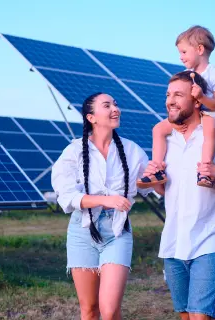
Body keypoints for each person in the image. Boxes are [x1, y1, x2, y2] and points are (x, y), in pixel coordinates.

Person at [142, 71, 215, 320]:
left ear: (197, 100)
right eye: (168, 95)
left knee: (200, 317)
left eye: (178, 95)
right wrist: (156, 181)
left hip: (210, 240)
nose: (169, 101)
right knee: (185, 316)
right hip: (174, 242)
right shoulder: (165, 140)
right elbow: (165, 190)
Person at [52, 92, 152, 320]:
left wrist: (159, 176)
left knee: (109, 310)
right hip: (82, 231)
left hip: (117, 231)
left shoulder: (132, 150)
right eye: (107, 105)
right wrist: (105, 199)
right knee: (89, 310)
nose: (115, 109)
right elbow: (66, 196)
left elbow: (150, 186)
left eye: (115, 104)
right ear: (91, 117)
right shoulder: (74, 151)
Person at [140, 25, 215, 188]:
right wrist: (174, 121)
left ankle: (205, 170)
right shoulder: (186, 74)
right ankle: (157, 169)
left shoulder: (214, 73)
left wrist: (202, 97)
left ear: (200, 49)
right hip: (193, 116)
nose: (181, 57)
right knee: (158, 129)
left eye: (184, 52)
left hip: (213, 114)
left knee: (208, 125)